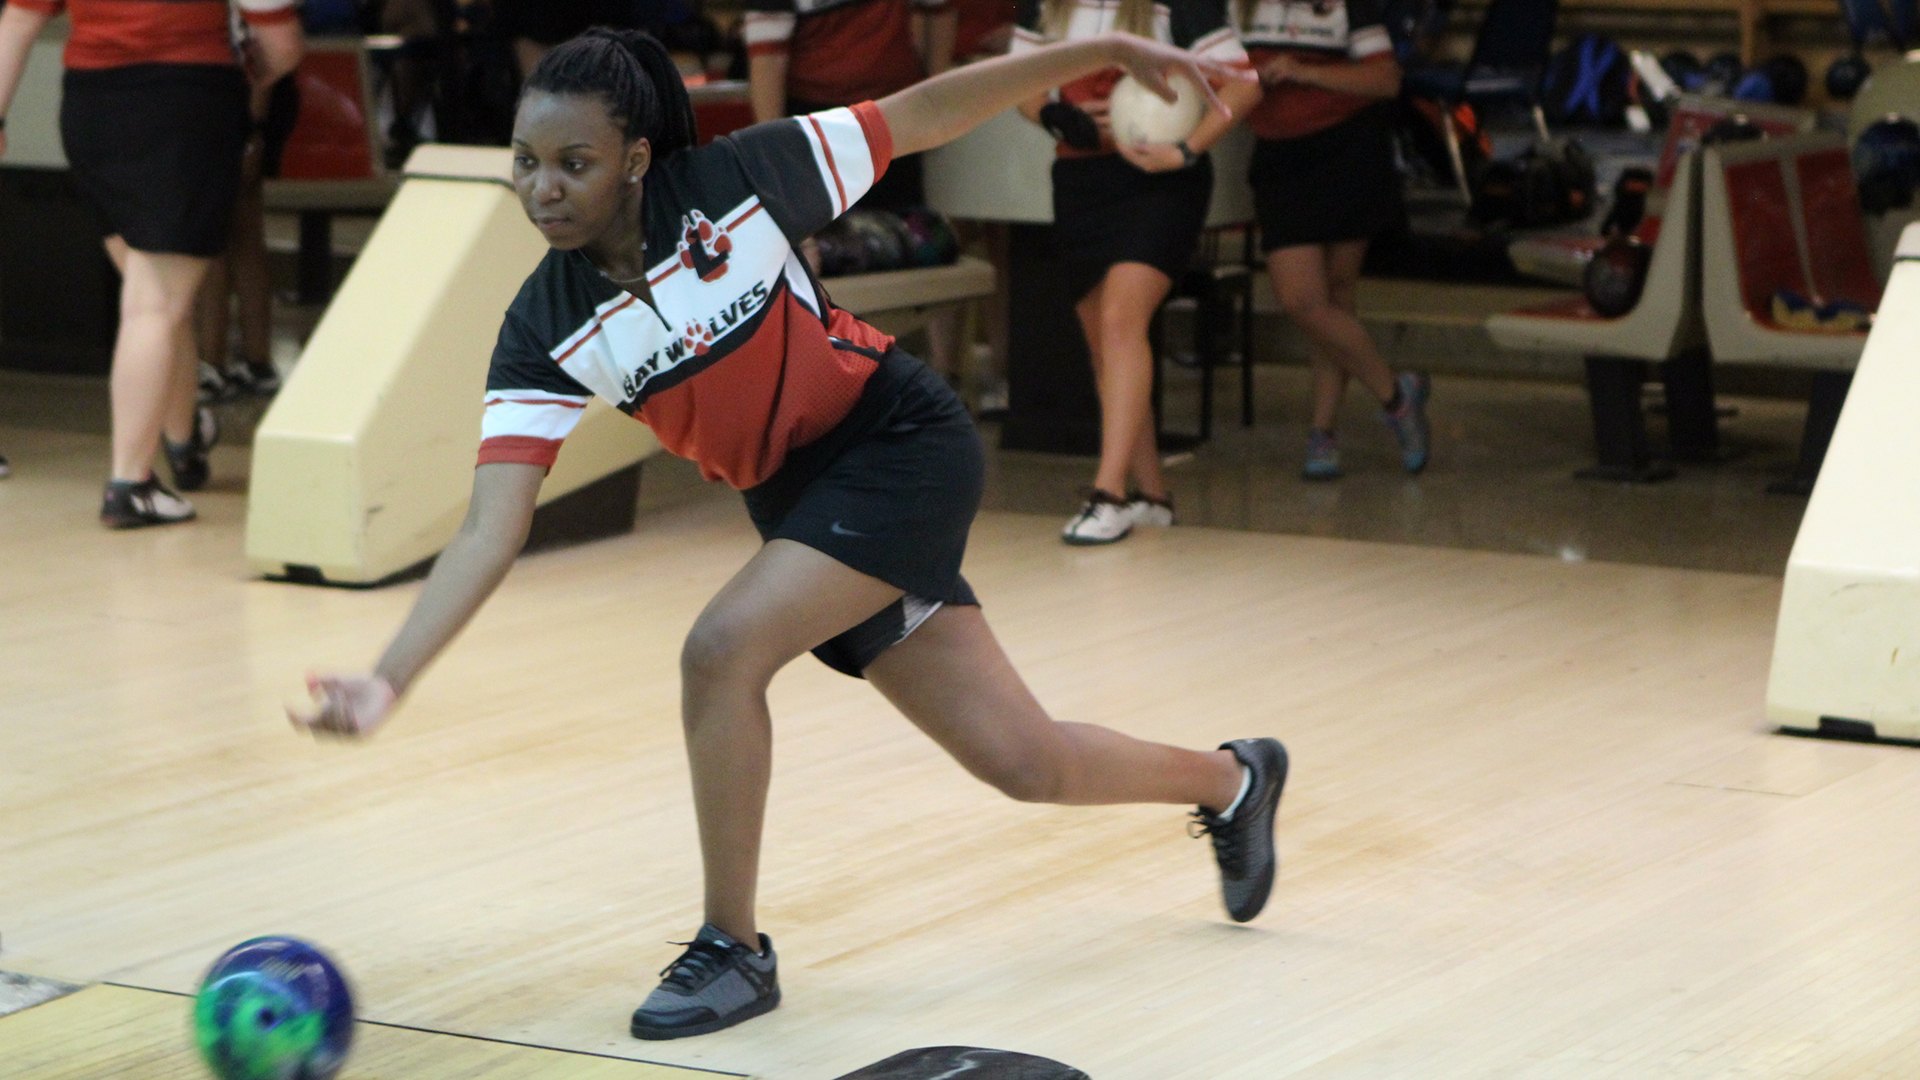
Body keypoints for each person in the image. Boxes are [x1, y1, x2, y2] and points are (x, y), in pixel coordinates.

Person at [289, 28, 1285, 1041]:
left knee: (722, 650)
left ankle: (734, 947)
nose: (544, 189)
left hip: (898, 444)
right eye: (528, 165)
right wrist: (390, 677)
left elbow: (927, 112)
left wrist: (1101, 46)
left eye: (573, 164)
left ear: (635, 159)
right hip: (798, 504)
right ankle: (1235, 779)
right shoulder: (542, 328)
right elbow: (486, 532)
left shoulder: (739, 179)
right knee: (1024, 763)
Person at [0, 0, 304, 526]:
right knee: (155, 305)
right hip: (185, 104)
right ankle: (131, 484)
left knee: (158, 296)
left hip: (92, 108)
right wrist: (254, 71)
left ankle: (184, 439)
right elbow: (280, 42)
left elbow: (19, 21)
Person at [1011, 0, 1261, 545]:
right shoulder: (1044, 7)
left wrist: (1187, 151)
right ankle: (1154, 496)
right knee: (1106, 344)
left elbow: (1244, 85)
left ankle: (1108, 494)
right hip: (1080, 182)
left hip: (1160, 185)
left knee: (1124, 320)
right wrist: (1054, 114)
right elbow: (1021, 87)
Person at [1236, 0, 1428, 480]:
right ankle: (1397, 396)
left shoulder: (1349, 6)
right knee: (1302, 300)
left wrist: (1303, 71)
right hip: (1280, 158)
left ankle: (1323, 433)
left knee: (1336, 298)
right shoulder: (1238, 8)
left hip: (1347, 150)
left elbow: (1386, 80)